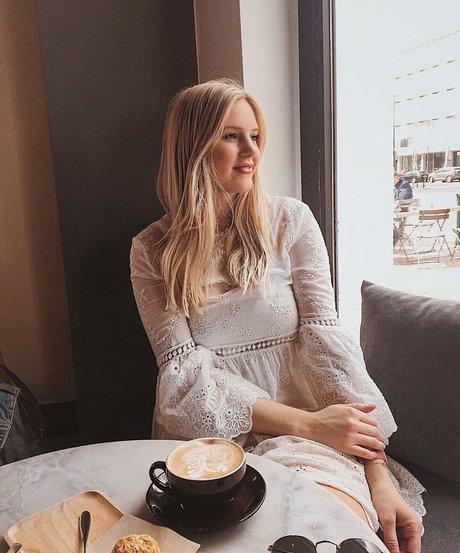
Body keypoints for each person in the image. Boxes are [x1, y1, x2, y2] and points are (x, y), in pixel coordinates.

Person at [130, 80, 424, 553]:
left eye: (255, 135)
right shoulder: (151, 250)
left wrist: (377, 474)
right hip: (214, 447)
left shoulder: (291, 221)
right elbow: (184, 383)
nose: (252, 151)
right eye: (231, 136)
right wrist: (310, 424)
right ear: (192, 147)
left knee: (326, 533)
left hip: (315, 444)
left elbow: (334, 357)